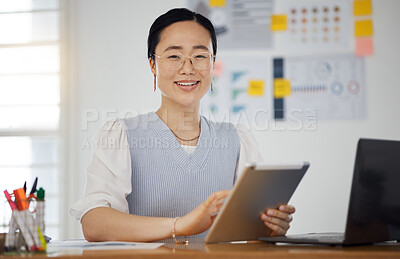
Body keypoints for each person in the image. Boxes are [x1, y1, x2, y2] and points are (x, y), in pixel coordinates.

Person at [69, 8, 295, 242]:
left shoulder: (236, 138)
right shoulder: (122, 135)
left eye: (200, 56)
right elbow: (94, 225)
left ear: (212, 63)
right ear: (153, 66)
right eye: (174, 56)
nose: (188, 68)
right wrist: (183, 224)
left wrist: (269, 226)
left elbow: (247, 228)